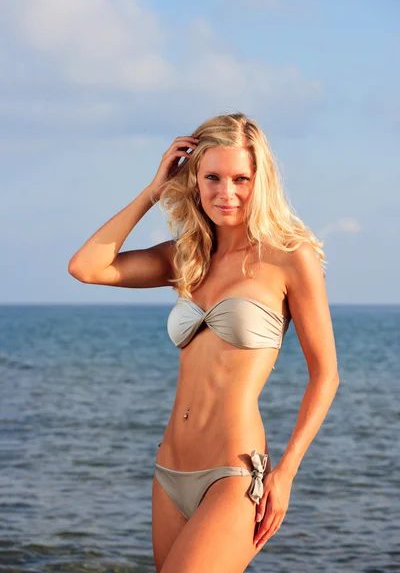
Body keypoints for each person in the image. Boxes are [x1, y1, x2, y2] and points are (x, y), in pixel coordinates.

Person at [68, 112, 339, 573]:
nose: (225, 193)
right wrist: (154, 191)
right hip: (169, 469)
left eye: (240, 178)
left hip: (233, 473)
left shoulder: (291, 258)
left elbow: (326, 375)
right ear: (193, 179)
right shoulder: (186, 257)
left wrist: (286, 472)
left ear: (261, 181)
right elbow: (87, 268)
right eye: (212, 177)